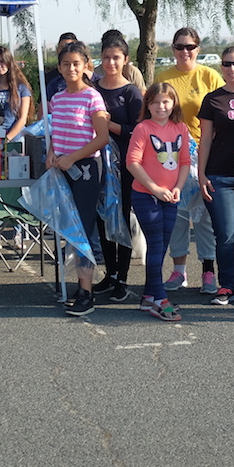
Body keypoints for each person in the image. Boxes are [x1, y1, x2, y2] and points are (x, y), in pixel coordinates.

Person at [154, 27, 224, 293]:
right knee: (177, 216)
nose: (185, 51)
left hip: (204, 155)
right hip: (172, 155)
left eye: (190, 46)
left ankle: (208, 271)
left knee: (205, 216)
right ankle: (179, 271)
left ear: (198, 49)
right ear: (172, 49)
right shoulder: (164, 77)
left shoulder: (209, 76)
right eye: (180, 46)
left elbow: (223, 114)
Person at [47, 40, 111, 316]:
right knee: (67, 229)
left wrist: (73, 156)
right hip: (62, 169)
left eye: (76, 63)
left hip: (85, 169)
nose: (71, 68)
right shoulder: (57, 99)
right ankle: (79, 284)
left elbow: (103, 137)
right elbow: (55, 132)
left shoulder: (92, 97)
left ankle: (87, 291)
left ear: (86, 66)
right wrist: (51, 153)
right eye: (65, 64)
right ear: (59, 68)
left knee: (82, 229)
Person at [126, 82, 191, 321]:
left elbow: (184, 161)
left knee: (161, 246)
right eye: (155, 102)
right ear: (148, 105)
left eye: (166, 101)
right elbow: (132, 162)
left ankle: (149, 296)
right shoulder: (143, 128)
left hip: (171, 196)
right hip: (145, 196)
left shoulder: (180, 128)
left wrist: (177, 188)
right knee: (155, 243)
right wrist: (154, 189)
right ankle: (160, 300)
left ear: (173, 103)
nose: (161, 106)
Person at [198, 46, 234, 305]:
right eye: (227, 64)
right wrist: (201, 174)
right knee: (226, 233)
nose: (232, 69)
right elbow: (206, 140)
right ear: (221, 67)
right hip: (219, 175)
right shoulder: (212, 99)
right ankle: (227, 285)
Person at [93, 33, 144, 303]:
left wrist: (109, 126)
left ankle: (123, 278)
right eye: (106, 58)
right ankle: (109, 273)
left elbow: (138, 130)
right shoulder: (93, 88)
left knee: (121, 219)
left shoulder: (130, 92)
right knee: (102, 218)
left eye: (116, 58)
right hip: (97, 163)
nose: (111, 63)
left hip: (123, 166)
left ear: (126, 60)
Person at [0, 46, 33, 144]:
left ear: (9, 62)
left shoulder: (22, 88)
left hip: (15, 139)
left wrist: (6, 139)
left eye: (2, 61)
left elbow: (22, 119)